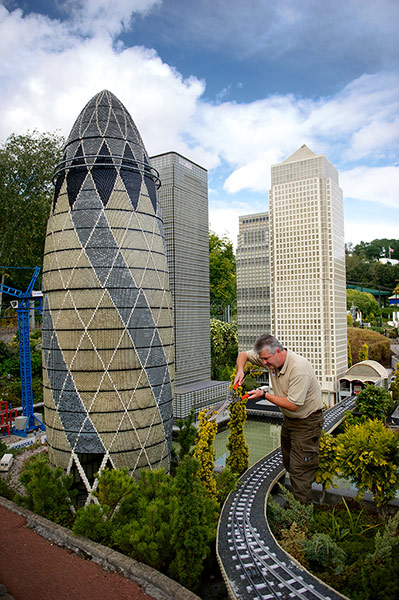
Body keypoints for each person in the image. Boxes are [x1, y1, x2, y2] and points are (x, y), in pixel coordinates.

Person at [234, 334, 323, 504]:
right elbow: (243, 355)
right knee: (289, 462)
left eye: (267, 359)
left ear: (279, 351)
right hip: (290, 421)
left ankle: (301, 517)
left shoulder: (299, 368)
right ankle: (296, 503)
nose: (264, 364)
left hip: (307, 422)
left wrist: (264, 394)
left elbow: (292, 404)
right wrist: (240, 370)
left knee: (300, 471)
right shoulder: (270, 359)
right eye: (262, 360)